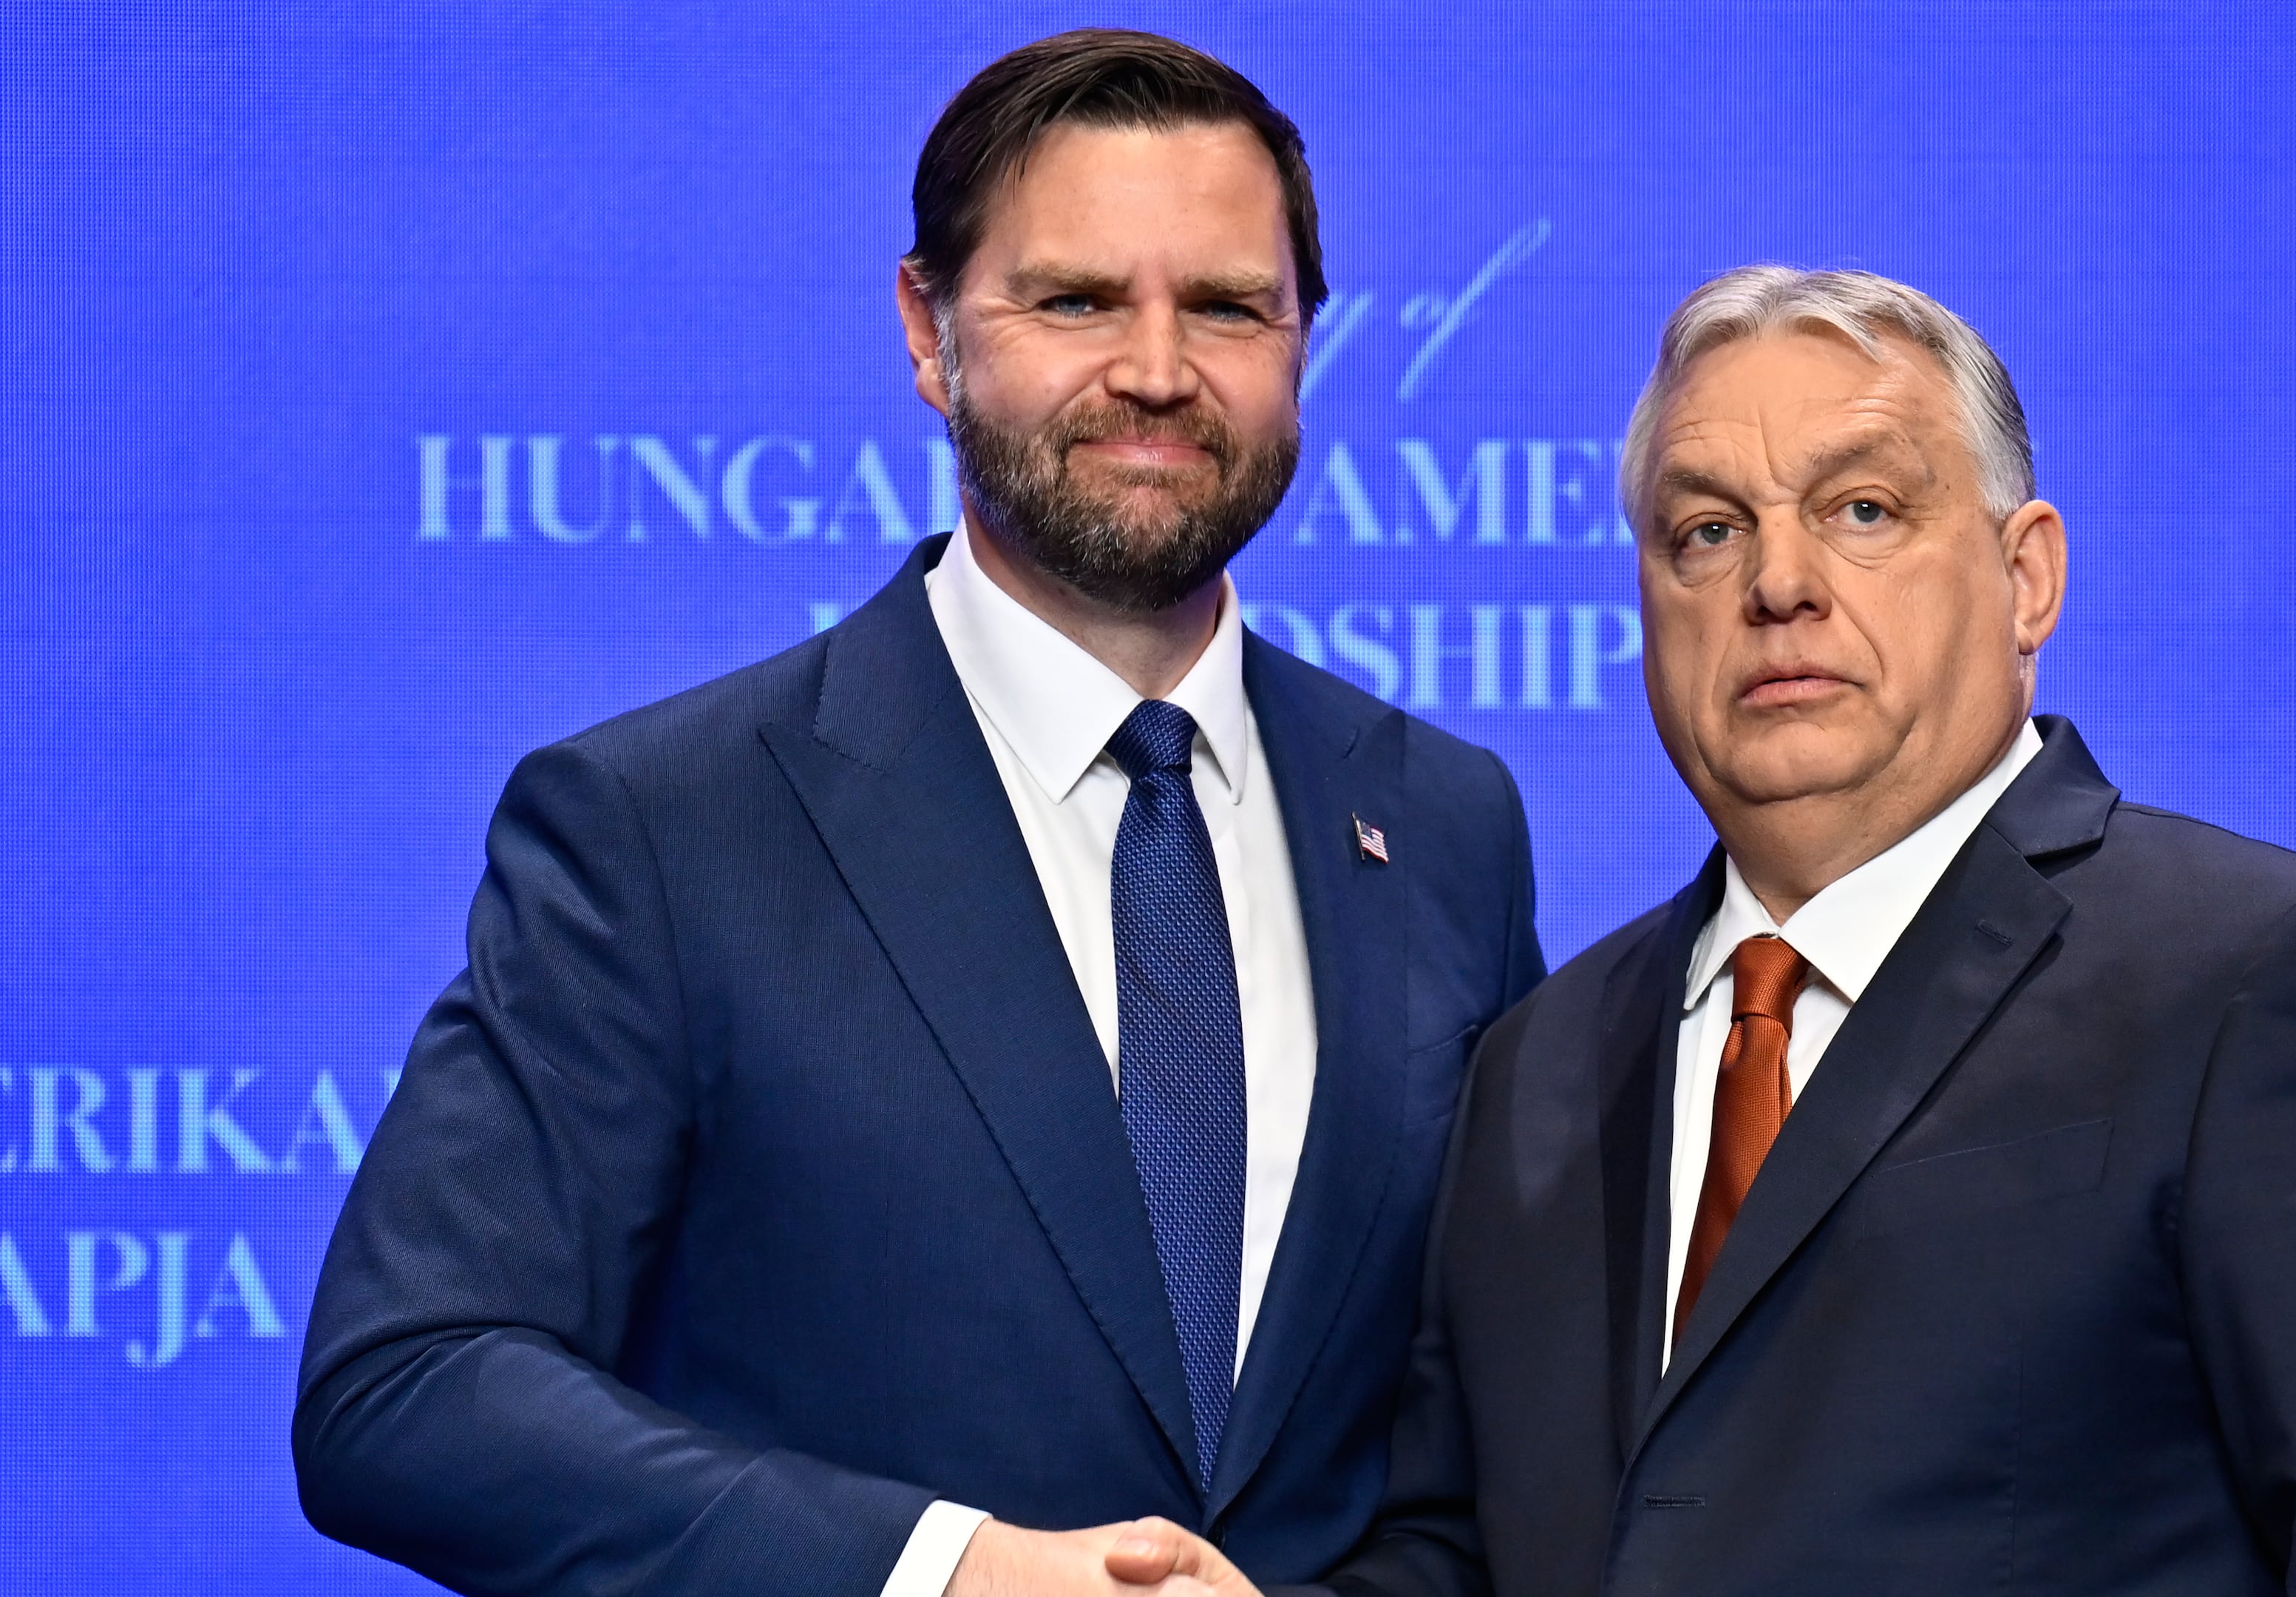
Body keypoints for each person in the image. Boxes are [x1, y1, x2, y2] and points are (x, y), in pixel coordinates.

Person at [293, 30, 1541, 1597]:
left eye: (1227, 306)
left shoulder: (1441, 825)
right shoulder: (661, 828)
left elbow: (1486, 1436)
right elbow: (407, 1386)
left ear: (1304, 341)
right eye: (1076, 299)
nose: (1157, 369)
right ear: (928, 332)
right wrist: (940, 1572)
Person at [1132, 264, 2296, 1596]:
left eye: (1863, 511)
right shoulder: (1542, 1062)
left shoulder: (2275, 983)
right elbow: (1473, 1554)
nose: (1777, 585)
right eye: (1706, 531)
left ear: (2029, 579)